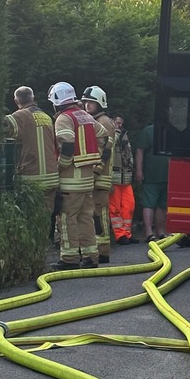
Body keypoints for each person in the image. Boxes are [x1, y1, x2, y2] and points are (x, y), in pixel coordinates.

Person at [49, 82, 105, 270]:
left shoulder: (64, 118)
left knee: (67, 218)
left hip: (70, 180)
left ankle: (70, 259)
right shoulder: (86, 116)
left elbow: (67, 144)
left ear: (56, 101)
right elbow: (104, 135)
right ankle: (91, 257)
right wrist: (95, 158)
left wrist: (60, 167)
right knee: (85, 218)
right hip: (87, 179)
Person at [3, 86, 59, 245]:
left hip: (31, 176)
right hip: (51, 176)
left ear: (16, 101)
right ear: (33, 98)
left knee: (30, 218)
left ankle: (33, 250)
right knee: (46, 216)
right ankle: (44, 247)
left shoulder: (19, 116)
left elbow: (3, 127)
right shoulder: (47, 117)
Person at [80, 86, 115, 264]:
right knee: (93, 214)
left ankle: (103, 252)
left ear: (100, 103)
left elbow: (104, 152)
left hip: (100, 177)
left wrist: (95, 172)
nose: (87, 105)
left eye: (91, 102)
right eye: (85, 102)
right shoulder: (95, 120)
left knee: (99, 214)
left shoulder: (105, 122)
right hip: (95, 175)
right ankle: (97, 249)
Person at [133, 121, 170, 242]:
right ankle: (149, 233)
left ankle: (160, 231)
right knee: (149, 203)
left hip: (167, 176)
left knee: (162, 205)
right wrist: (139, 170)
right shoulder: (148, 131)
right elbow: (140, 150)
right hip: (151, 175)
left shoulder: (171, 131)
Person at [108, 110, 135, 245]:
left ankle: (127, 234)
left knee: (129, 206)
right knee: (115, 208)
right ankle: (120, 236)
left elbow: (128, 154)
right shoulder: (111, 135)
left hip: (126, 178)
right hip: (115, 178)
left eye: (121, 123)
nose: (119, 126)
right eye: (117, 123)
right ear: (112, 122)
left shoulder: (124, 135)